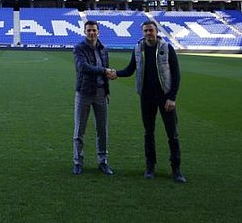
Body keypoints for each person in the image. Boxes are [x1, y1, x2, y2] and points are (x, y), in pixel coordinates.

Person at [113, 20, 186, 183]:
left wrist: (172, 98)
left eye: (150, 30)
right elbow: (130, 69)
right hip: (146, 97)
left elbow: (176, 75)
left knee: (172, 135)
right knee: (148, 133)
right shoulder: (138, 48)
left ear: (156, 31)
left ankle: (176, 170)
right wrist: (115, 73)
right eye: (145, 31)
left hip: (165, 97)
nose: (148, 33)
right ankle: (150, 167)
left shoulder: (167, 48)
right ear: (142, 32)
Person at [72, 20, 116, 176]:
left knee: (102, 129)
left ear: (98, 32)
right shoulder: (79, 48)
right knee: (79, 130)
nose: (91, 33)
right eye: (89, 30)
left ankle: (102, 161)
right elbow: (83, 67)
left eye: (94, 30)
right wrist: (105, 71)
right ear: (84, 32)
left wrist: (107, 90)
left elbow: (105, 74)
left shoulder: (103, 49)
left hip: (100, 93)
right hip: (84, 92)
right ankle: (78, 162)